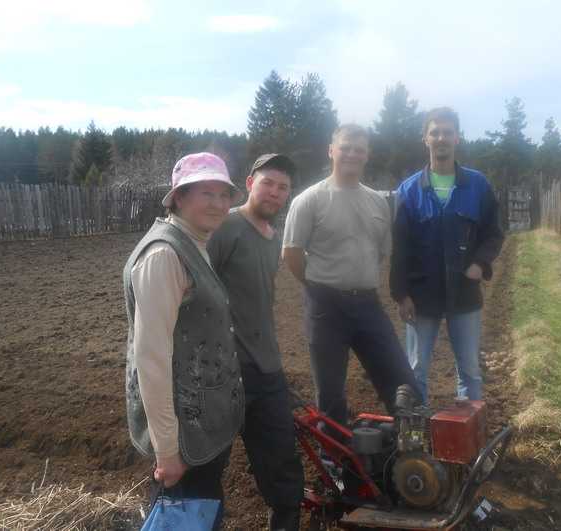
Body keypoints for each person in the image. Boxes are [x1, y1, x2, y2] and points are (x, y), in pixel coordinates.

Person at [122, 152, 244, 520]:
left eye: (224, 194)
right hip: (183, 438)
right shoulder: (164, 255)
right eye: (207, 193)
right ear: (179, 197)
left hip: (200, 428)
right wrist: (167, 450)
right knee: (183, 517)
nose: (219, 203)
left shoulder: (194, 244)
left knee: (200, 514)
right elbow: (151, 359)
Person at [282, 124, 419, 432]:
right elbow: (291, 254)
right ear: (331, 150)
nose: (352, 154)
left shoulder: (377, 203)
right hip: (325, 307)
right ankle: (337, 464)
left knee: (400, 380)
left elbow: (380, 252)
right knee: (330, 392)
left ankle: (411, 449)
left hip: (368, 304)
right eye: (345, 147)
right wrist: (318, 284)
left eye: (359, 149)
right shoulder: (309, 200)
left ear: (367, 155)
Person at [207, 154, 303, 531]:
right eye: (268, 183)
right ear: (249, 183)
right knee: (208, 465)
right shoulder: (227, 227)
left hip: (267, 370)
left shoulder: (270, 236)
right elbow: (195, 284)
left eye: (283, 188)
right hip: (226, 372)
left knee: (282, 465)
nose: (275, 193)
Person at [390, 107, 504, 403]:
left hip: (464, 294)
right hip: (421, 294)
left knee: (469, 370)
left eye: (447, 132)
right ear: (425, 139)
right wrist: (401, 294)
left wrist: (480, 263)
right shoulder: (409, 190)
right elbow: (399, 247)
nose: (441, 138)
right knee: (416, 370)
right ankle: (419, 435)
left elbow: (494, 232)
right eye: (435, 132)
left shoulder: (477, 186)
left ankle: (468, 439)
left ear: (458, 138)